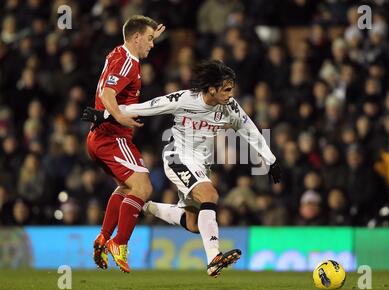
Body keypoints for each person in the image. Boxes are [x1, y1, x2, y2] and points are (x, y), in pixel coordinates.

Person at [82, 60, 281, 277]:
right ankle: (214, 259)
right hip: (177, 157)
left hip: (201, 165)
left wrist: (270, 159)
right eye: (226, 89)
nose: (231, 94)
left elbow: (248, 128)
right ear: (211, 89)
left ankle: (142, 205)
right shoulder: (185, 99)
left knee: (193, 223)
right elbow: (148, 107)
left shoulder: (230, 107)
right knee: (210, 194)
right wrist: (105, 114)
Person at [86, 15, 165, 273]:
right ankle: (118, 243)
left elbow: (109, 86)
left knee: (126, 187)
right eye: (149, 39)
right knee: (143, 187)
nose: (152, 45)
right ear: (136, 37)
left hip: (102, 137)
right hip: (112, 136)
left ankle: (102, 237)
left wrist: (152, 34)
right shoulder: (128, 65)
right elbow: (106, 93)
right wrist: (120, 116)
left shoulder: (121, 53)